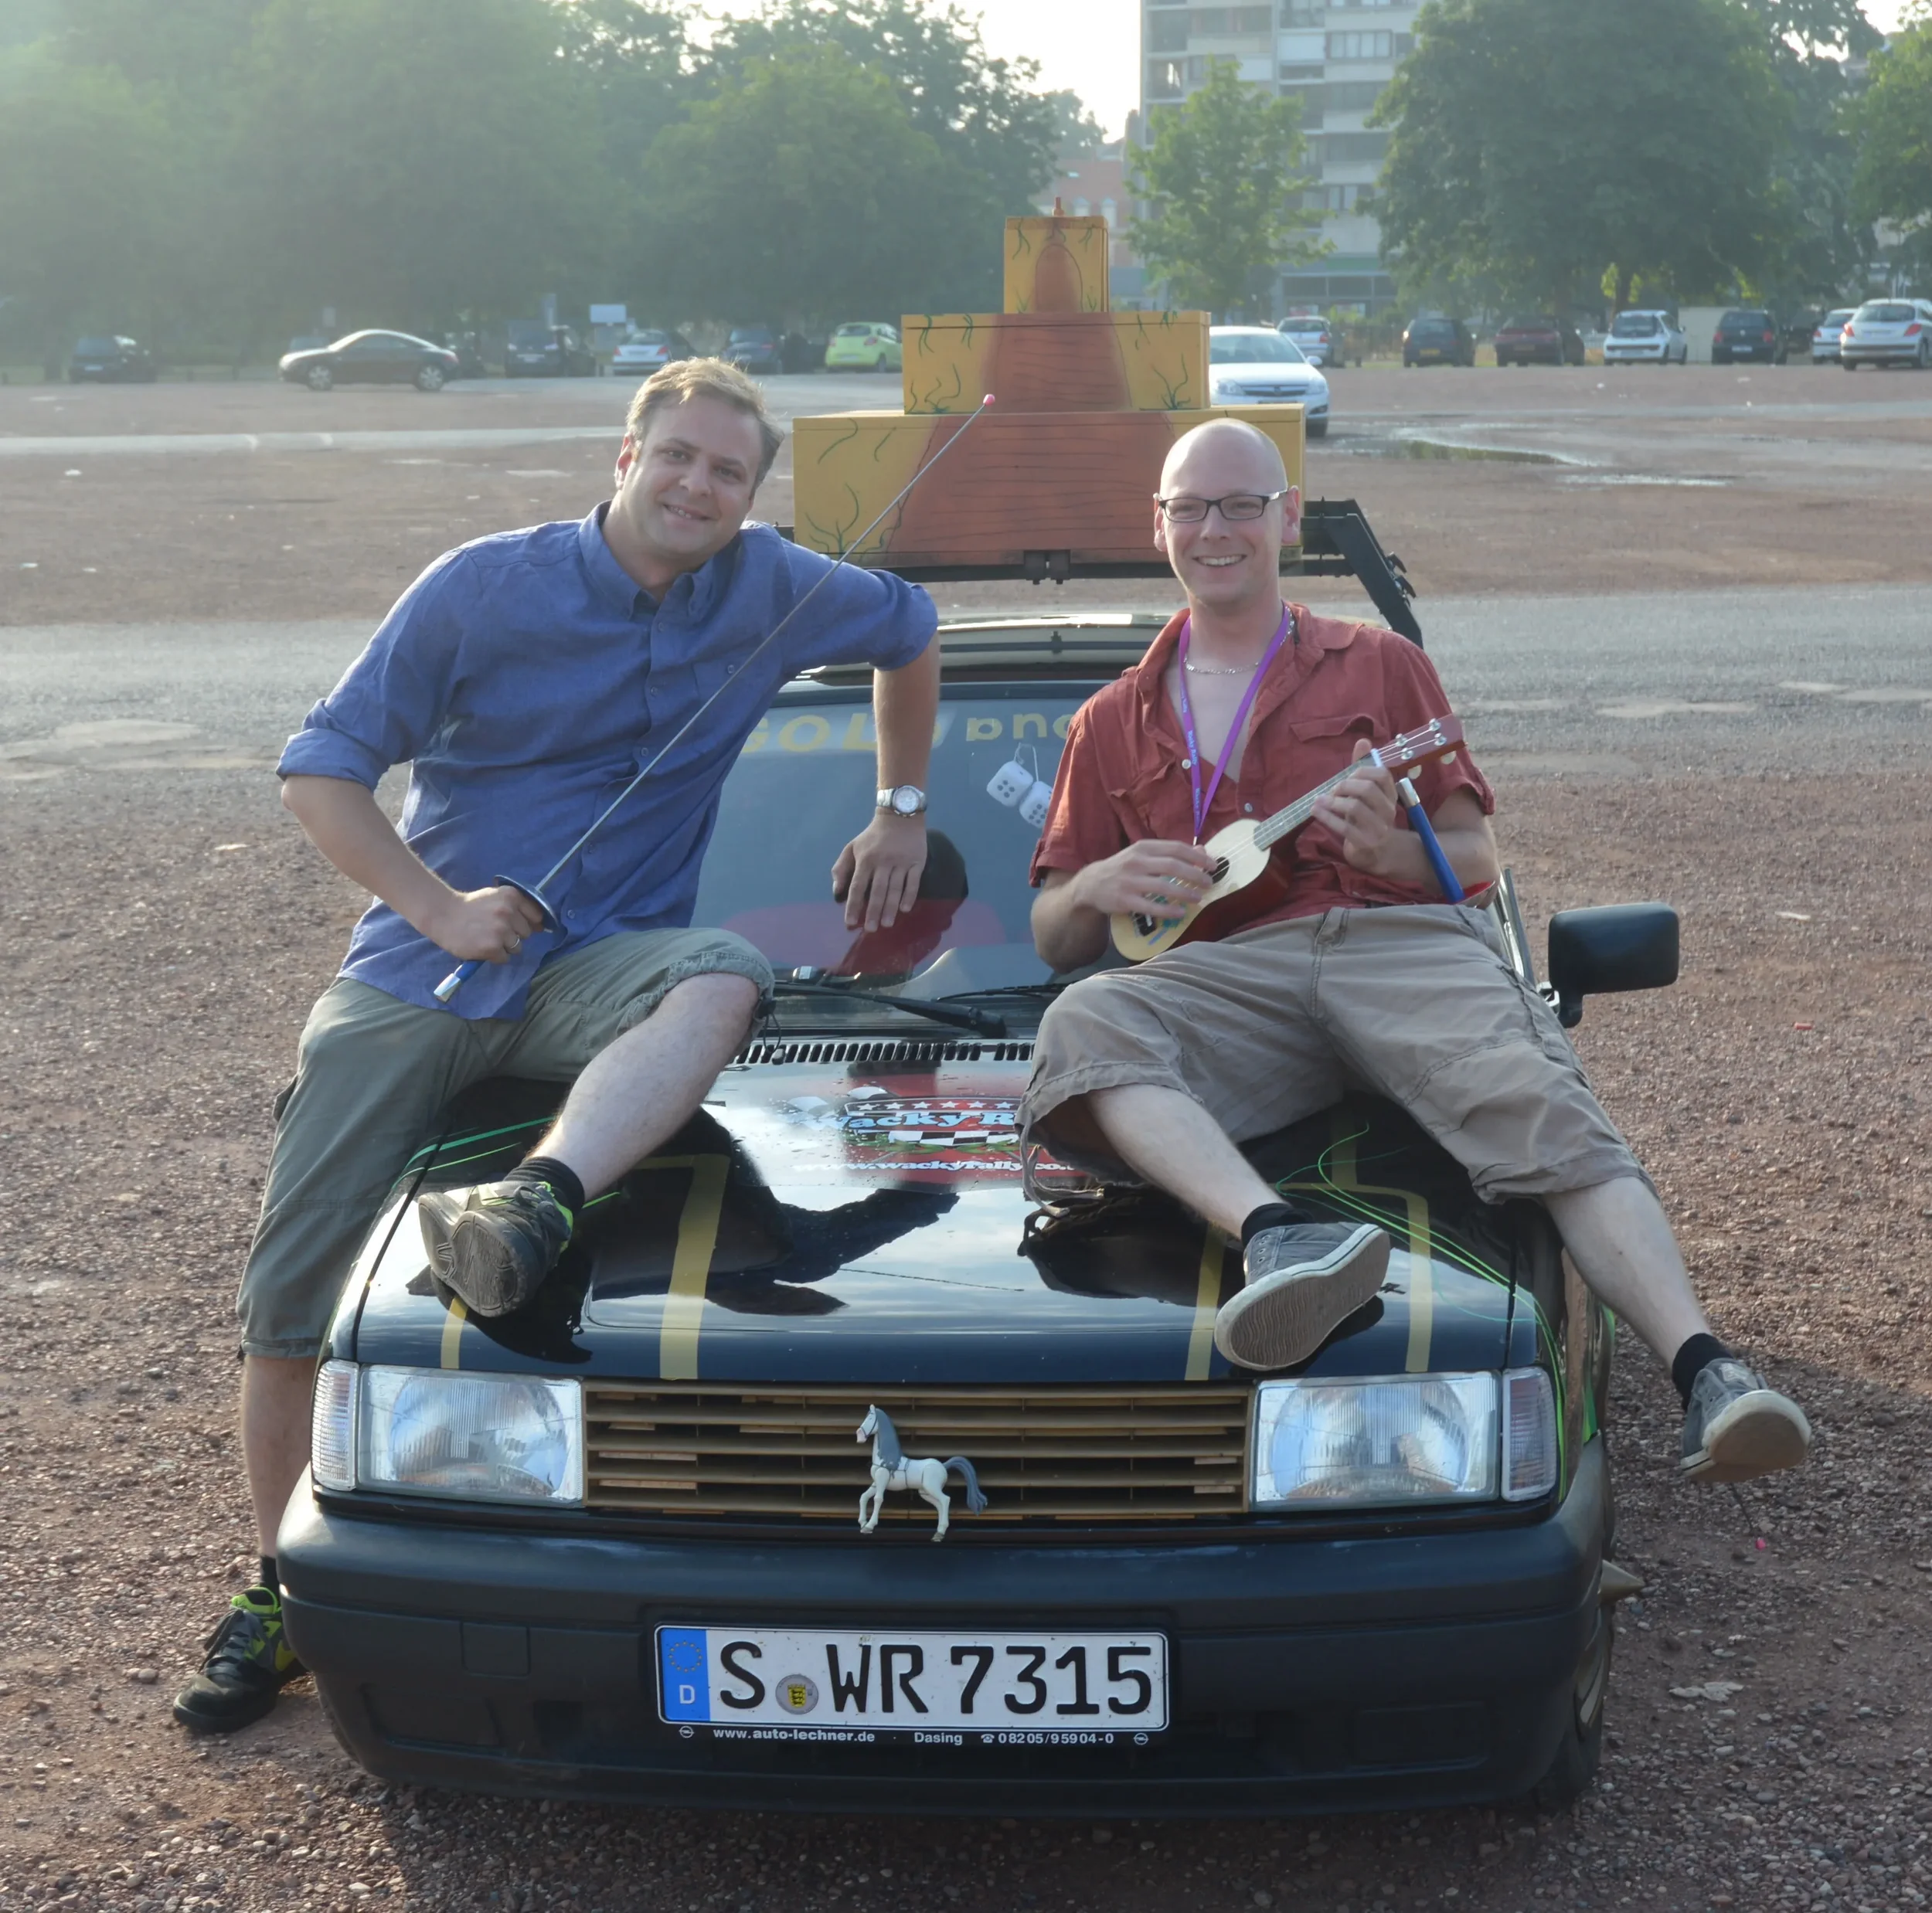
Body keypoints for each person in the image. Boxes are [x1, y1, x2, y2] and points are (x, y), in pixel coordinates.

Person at [173, 358, 943, 1733]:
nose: (701, 487)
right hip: (416, 975)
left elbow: (914, 625)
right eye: (682, 458)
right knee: (291, 1303)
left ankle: (535, 1199)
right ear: (627, 452)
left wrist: (900, 805)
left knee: (724, 976)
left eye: (729, 473)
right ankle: (277, 1594)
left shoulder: (774, 584)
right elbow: (320, 768)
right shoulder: (481, 585)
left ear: (750, 497)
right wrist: (436, 905)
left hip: (603, 974)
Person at [1020, 417, 1810, 1480]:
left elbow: (1474, 855)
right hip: (1235, 977)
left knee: (1544, 1109)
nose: (1217, 529)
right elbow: (1054, 931)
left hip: (1396, 942)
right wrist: (1099, 884)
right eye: (1192, 507)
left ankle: (1709, 1373)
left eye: (1242, 504)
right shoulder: (1110, 720)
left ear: (1287, 517)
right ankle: (1282, 1240)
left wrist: (1388, 843)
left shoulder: (1379, 666)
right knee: (1085, 1021)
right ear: (1156, 525)